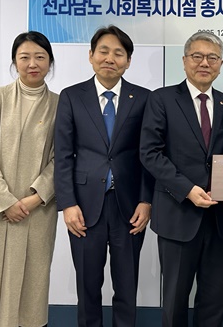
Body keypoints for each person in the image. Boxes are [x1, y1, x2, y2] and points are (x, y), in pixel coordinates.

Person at [54, 25, 153, 327]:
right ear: (91, 56)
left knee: (127, 286)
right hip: (84, 207)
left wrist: (146, 201)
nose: (110, 58)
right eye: (104, 51)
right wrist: (67, 204)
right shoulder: (72, 97)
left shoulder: (144, 98)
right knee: (87, 287)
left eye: (118, 53)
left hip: (129, 207)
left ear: (128, 61)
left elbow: (149, 156)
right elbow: (63, 154)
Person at [139, 31, 223, 327]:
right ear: (184, 61)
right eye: (197, 56)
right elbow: (150, 153)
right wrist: (187, 189)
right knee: (175, 298)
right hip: (177, 213)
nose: (204, 63)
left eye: (212, 57)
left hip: (217, 218)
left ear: (220, 64)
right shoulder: (162, 99)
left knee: (213, 298)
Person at [0, 31, 58, 327]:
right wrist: (6, 202)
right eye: (24, 57)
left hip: (35, 210)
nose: (32, 64)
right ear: (14, 62)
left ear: (50, 62)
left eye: (40, 57)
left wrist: (34, 199)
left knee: (30, 289)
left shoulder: (61, 105)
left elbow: (62, 160)